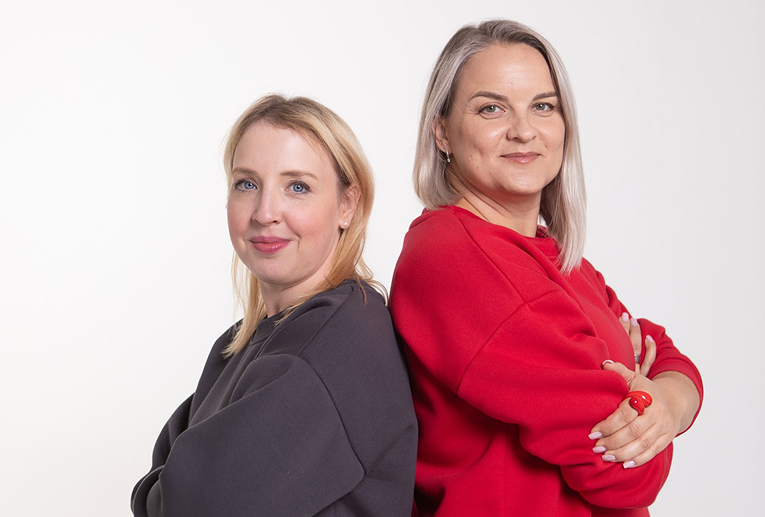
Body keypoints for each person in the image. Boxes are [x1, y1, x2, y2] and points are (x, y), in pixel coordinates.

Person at [389, 20, 703, 516]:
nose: (523, 130)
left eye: (543, 106)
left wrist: (666, 402)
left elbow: (663, 353)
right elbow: (624, 473)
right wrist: (645, 397)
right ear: (442, 130)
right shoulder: (454, 257)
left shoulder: (558, 258)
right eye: (491, 108)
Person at [131, 95, 417, 517]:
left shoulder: (336, 343)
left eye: (297, 187)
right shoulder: (239, 343)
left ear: (347, 205)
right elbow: (168, 473)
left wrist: (162, 487)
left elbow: (189, 503)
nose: (265, 212)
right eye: (247, 184)